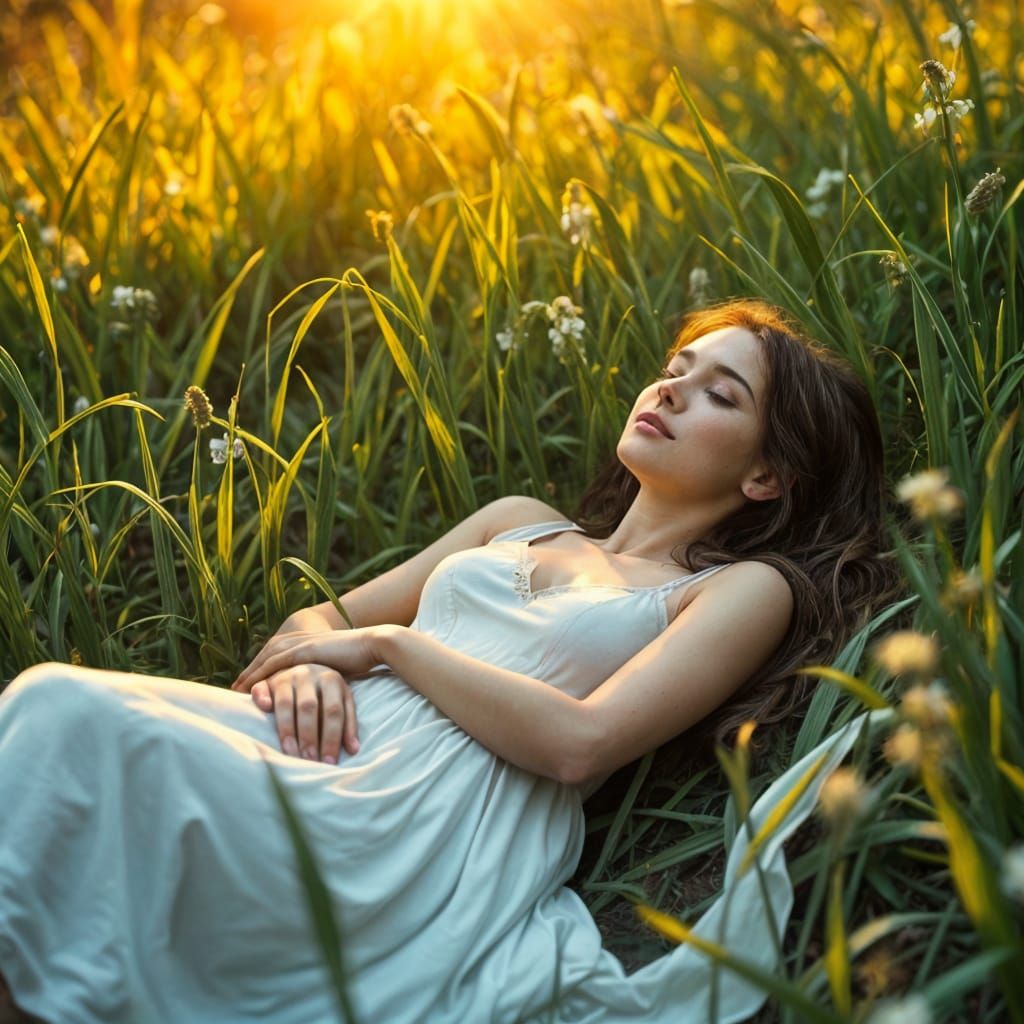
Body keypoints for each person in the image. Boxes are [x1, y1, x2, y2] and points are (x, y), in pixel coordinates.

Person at [0, 298, 899, 1024]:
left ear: (766, 478)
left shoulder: (739, 589)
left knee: (65, 724)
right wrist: (313, 663)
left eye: (719, 395)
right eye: (675, 371)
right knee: (50, 714)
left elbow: (581, 745)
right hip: (319, 744)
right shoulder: (518, 520)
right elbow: (317, 622)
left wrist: (388, 645)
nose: (667, 392)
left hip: (428, 823)